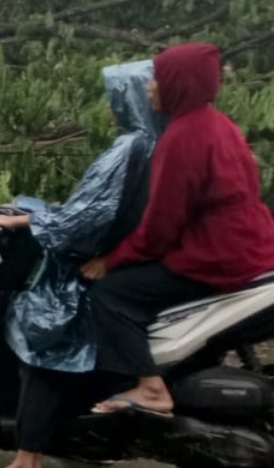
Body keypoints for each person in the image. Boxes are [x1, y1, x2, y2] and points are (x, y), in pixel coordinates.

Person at [0, 60, 162, 468]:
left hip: (91, 264)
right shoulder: (159, 143)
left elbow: (85, 217)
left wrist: (23, 219)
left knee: (43, 345)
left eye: (115, 96)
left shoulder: (129, 147)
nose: (111, 106)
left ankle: (25, 467)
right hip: (132, 261)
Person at [83, 43, 274, 418]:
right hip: (254, 246)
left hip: (216, 256)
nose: (150, 87)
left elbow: (160, 229)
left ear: (178, 83)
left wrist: (112, 258)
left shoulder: (182, 136)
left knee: (110, 294)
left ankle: (150, 387)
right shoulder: (220, 124)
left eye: (158, 78)